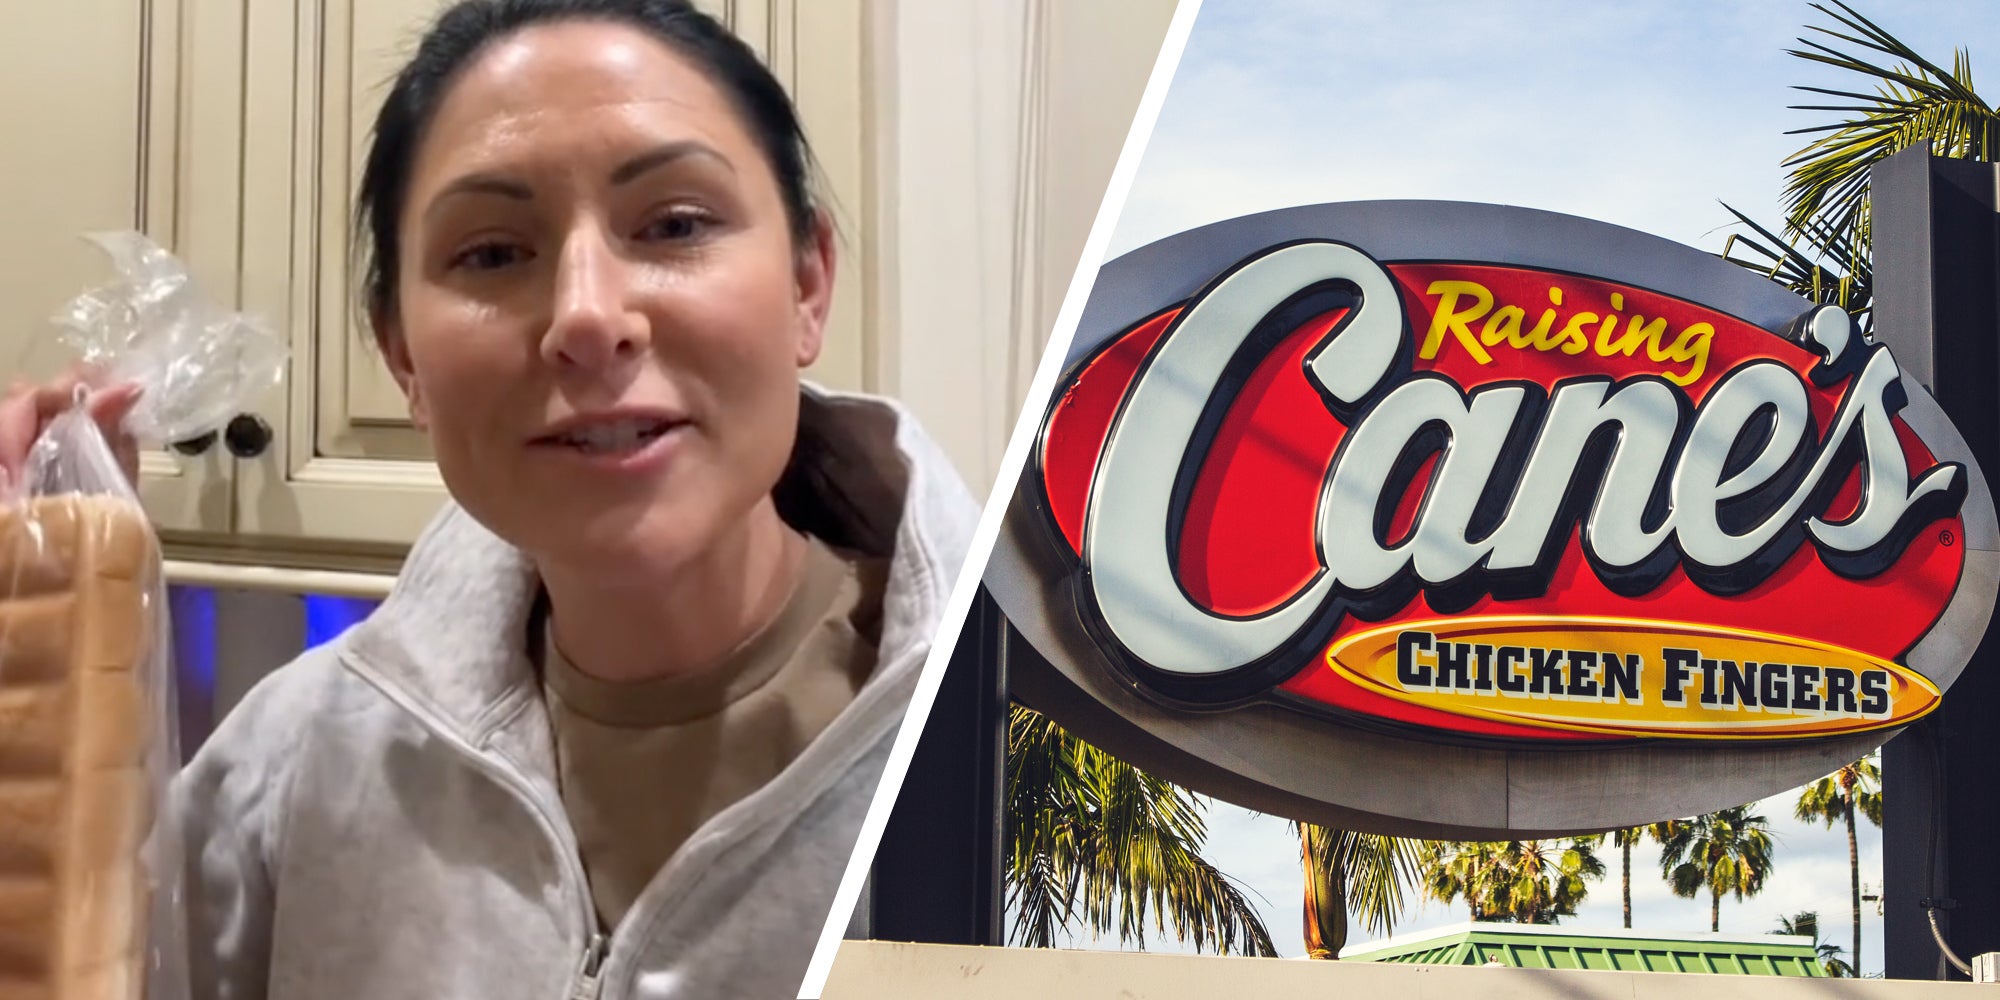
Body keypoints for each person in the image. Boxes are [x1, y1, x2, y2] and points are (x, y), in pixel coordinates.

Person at [0, 1, 976, 997]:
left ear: (807, 284)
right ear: (402, 358)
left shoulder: (1005, 751)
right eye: (494, 253)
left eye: (676, 225)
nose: (588, 317)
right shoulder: (289, 768)